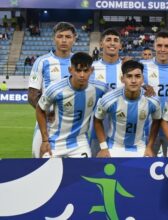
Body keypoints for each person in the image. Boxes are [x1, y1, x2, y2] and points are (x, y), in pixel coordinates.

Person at [36, 52, 108, 158]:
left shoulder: (100, 88)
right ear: (70, 70)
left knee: (82, 173)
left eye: (86, 70)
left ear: (91, 71)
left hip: (80, 143)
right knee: (50, 173)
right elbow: (39, 109)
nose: (82, 75)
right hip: (55, 142)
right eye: (78, 70)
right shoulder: (55, 89)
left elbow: (116, 98)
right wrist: (45, 140)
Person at [28, 21, 77, 158]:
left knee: (75, 169)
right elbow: (32, 95)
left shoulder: (79, 62)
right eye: (60, 36)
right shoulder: (42, 62)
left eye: (68, 37)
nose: (63, 40)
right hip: (47, 125)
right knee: (39, 159)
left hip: (74, 126)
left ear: (74, 39)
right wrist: (47, 113)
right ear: (53, 38)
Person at [94, 60, 161, 157]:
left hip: (140, 147)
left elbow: (157, 121)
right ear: (122, 79)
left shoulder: (153, 101)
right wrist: (104, 148)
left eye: (137, 76)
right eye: (129, 76)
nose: (133, 81)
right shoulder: (109, 99)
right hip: (114, 147)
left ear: (142, 79)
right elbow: (97, 121)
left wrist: (149, 146)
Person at [141, 31, 168, 156]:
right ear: (154, 46)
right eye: (159, 45)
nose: (162, 49)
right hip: (148, 126)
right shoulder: (142, 66)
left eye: (166, 46)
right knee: (145, 166)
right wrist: (143, 86)